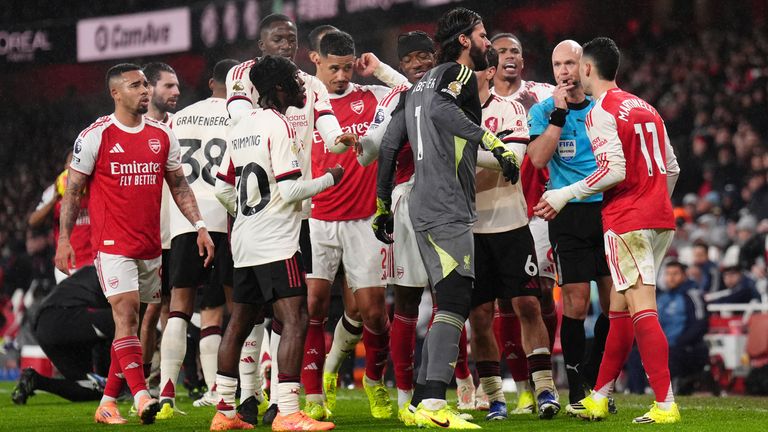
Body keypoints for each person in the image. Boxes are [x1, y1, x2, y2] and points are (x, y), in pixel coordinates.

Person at [376, 7, 519, 428]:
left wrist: (383, 205)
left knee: (445, 303)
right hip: (447, 205)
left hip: (421, 204)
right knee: (454, 302)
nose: (487, 43)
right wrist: (494, 140)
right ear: (464, 41)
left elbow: (388, 148)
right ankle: (435, 404)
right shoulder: (456, 76)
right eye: (482, 34)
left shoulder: (416, 88)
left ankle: (424, 398)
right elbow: (442, 113)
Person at [55, 63, 215, 425]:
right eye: (135, 85)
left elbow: (179, 186)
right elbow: (74, 191)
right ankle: (143, 396)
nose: (144, 90)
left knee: (138, 321)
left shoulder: (162, 135)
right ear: (115, 93)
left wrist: (200, 225)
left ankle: (108, 401)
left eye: (145, 84)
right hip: (112, 244)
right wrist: (65, 239)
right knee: (126, 315)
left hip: (150, 245)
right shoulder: (95, 135)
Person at [224, 15, 365, 424]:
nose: (286, 43)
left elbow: (330, 131)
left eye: (292, 38)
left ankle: (266, 398)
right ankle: (251, 396)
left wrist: (343, 140)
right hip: (269, 208)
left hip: (295, 212)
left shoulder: (310, 86)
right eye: (278, 37)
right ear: (260, 39)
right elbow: (241, 126)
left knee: (271, 311)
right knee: (273, 312)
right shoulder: (245, 78)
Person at [536, 36, 682, 424]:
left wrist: (564, 193)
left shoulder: (601, 111)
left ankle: (665, 403)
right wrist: (654, 199)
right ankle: (598, 395)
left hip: (627, 219)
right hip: (659, 218)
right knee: (617, 311)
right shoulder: (646, 107)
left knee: (640, 309)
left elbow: (613, 170)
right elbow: (672, 167)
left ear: (586, 68)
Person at [211, 54, 341, 432]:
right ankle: (287, 412)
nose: (304, 88)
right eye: (297, 84)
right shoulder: (279, 125)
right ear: (280, 89)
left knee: (240, 319)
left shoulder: (241, 125)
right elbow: (290, 189)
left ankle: (225, 412)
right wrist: (331, 177)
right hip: (278, 243)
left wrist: (250, 212)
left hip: (245, 241)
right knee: (295, 318)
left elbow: (222, 189)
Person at [306, 29, 407, 421]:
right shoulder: (302, 103)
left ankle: (374, 381)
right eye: (335, 68)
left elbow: (410, 91)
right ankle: (314, 396)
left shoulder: (370, 98)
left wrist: (378, 69)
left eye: (348, 67)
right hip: (316, 218)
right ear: (315, 60)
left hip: (365, 220)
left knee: (374, 315)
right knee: (312, 306)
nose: (343, 75)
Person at [468, 47, 559, 421]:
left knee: (528, 305)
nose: (463, 79)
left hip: (511, 223)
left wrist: (461, 156)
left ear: (488, 73)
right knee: (480, 315)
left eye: (472, 71)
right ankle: (494, 398)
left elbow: (513, 162)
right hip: (469, 229)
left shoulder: (511, 110)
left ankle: (545, 390)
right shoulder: (449, 113)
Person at [527, 40, 612, 406]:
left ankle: (599, 382)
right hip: (568, 215)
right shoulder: (543, 110)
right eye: (557, 64)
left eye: (570, 63)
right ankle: (577, 388)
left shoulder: (604, 109)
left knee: (614, 308)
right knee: (575, 305)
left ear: (585, 67)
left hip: (608, 212)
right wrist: (558, 116)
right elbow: (537, 160)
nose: (563, 71)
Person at [356, 30, 434, 423]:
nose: (420, 63)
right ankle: (405, 396)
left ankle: (459, 389)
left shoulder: (447, 91)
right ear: (403, 65)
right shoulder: (390, 102)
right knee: (405, 302)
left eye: (426, 56)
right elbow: (371, 151)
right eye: (412, 59)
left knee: (452, 302)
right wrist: (358, 144)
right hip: (406, 201)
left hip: (447, 203)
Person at [156, 59, 240, 419]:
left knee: (178, 306)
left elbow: (168, 175)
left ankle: (166, 395)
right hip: (226, 218)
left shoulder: (179, 118)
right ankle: (220, 390)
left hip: (185, 219)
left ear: (211, 83)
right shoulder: (241, 117)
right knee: (222, 309)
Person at [12, 266, 111, 404]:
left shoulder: (89, 273)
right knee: (122, 321)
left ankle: (36, 380)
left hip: (43, 327)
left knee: (94, 389)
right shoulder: (110, 274)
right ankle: (135, 381)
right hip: (64, 319)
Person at [141, 62, 182, 384]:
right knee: (147, 309)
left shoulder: (182, 125)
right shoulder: (133, 129)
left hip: (177, 233)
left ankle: (162, 378)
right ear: (149, 88)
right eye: (168, 86)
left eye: (177, 85)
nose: (176, 92)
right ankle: (138, 378)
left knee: (172, 306)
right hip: (145, 234)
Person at [28, 151, 92, 283]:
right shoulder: (55, 189)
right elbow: (33, 221)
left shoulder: (94, 186)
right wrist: (53, 201)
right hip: (67, 265)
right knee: (70, 303)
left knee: (98, 303)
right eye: (72, 162)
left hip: (94, 261)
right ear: (65, 167)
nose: (75, 166)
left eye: (79, 162)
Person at [657, 261, 709, 395]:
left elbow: (700, 324)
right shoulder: (661, 298)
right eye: (668, 274)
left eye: (675, 274)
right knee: (635, 353)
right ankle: (637, 392)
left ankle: (672, 391)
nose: (671, 278)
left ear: (684, 276)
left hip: (687, 348)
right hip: (665, 346)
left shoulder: (692, 295)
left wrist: (680, 342)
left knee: (672, 354)